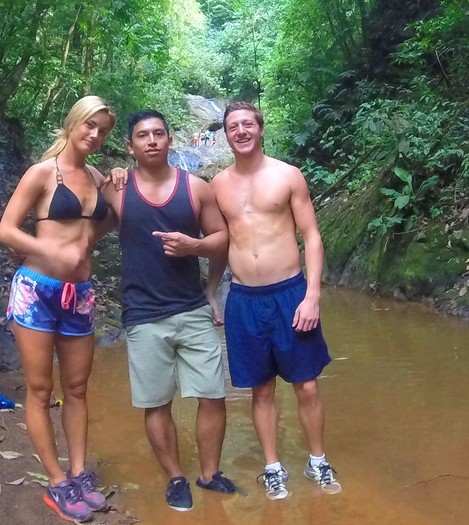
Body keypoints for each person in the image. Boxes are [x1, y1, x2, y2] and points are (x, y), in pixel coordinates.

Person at [103, 109, 236, 512]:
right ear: (130, 147)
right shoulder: (116, 190)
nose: (152, 140)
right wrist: (111, 171)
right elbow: (74, 183)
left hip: (192, 308)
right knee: (155, 402)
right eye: (142, 136)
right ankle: (176, 477)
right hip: (143, 315)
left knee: (213, 395)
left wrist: (200, 261)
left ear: (170, 140)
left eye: (159, 133)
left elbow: (222, 239)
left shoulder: (196, 188)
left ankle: (209, 474)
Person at [210, 101, 341, 500]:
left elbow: (312, 236)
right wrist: (211, 292)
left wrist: (312, 295)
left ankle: (317, 459)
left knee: (307, 386)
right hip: (244, 298)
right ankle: (272, 466)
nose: (241, 131)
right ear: (227, 134)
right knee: (261, 390)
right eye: (234, 126)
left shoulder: (288, 175)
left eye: (248, 124)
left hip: (289, 294)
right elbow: (218, 242)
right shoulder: (218, 184)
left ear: (261, 129)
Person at [0, 95, 116, 522]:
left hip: (80, 295)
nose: (95, 135)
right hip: (37, 290)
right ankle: (56, 481)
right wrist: (49, 250)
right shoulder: (41, 173)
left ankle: (80, 471)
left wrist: (88, 243)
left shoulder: (99, 176)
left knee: (78, 388)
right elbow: (6, 229)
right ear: (72, 123)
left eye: (103, 130)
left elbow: (110, 219)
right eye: (89, 125)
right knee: (40, 390)